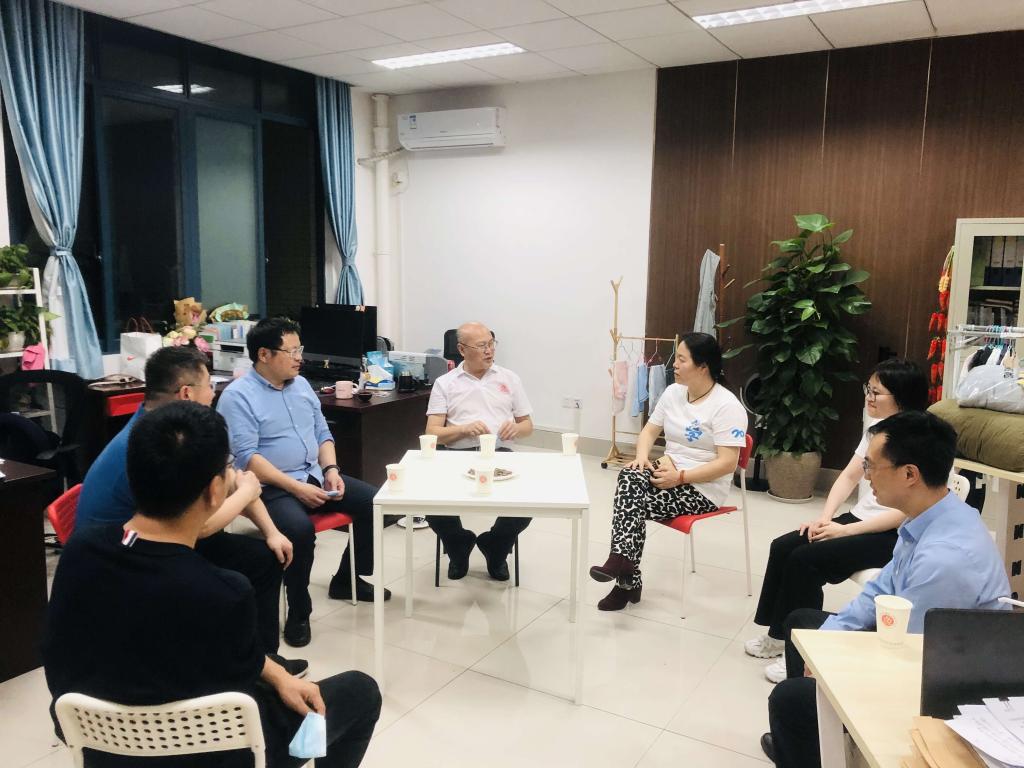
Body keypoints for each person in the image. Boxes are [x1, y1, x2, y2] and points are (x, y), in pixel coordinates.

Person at [44, 402, 381, 768]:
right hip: (207, 755)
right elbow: (239, 700)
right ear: (216, 489)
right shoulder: (222, 593)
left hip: (101, 750)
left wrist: (278, 675)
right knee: (360, 691)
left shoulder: (80, 551)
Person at [762, 411, 1010, 768]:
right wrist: (826, 643)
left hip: (945, 684)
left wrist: (830, 665)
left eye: (872, 466)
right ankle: (814, 741)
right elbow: (880, 590)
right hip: (916, 645)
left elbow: (909, 659)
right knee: (802, 625)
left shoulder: (946, 558)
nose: (866, 477)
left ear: (910, 474)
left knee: (790, 699)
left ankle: (810, 729)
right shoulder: (929, 515)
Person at [76, 346, 299, 670]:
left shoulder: (178, 431)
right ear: (186, 393)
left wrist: (272, 531)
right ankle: (248, 669)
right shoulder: (154, 445)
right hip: (125, 557)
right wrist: (246, 492)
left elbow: (233, 482)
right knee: (230, 587)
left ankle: (266, 663)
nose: (213, 394)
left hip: (159, 537)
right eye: (209, 385)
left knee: (265, 557)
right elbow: (199, 525)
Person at [745, 359, 929, 683]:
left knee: (805, 560)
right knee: (784, 546)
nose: (869, 397)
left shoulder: (918, 441)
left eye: (877, 392)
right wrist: (825, 518)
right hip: (857, 520)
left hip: (891, 534)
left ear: (902, 397)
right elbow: (848, 476)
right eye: (868, 389)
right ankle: (778, 635)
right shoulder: (876, 432)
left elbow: (904, 512)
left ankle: (802, 651)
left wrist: (844, 531)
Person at [217, 317, 389, 649]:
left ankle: (348, 579)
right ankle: (299, 610)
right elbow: (247, 457)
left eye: (300, 349)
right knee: (298, 531)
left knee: (376, 502)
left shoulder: (301, 385)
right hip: (268, 487)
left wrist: (331, 470)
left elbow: (323, 433)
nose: (300, 358)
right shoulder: (238, 396)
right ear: (264, 354)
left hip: (313, 474)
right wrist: (296, 488)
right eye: (292, 351)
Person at [589, 332, 748, 611]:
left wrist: (681, 477)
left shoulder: (727, 406)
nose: (674, 364)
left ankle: (626, 577)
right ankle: (624, 569)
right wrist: (642, 458)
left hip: (702, 488)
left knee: (631, 503)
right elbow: (649, 431)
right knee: (630, 475)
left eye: (682, 359)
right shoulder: (674, 392)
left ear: (702, 366)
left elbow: (727, 463)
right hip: (667, 473)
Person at [424, 321, 535, 581]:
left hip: (499, 452)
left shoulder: (509, 378)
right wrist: (463, 430)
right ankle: (458, 544)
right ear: (462, 350)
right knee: (429, 501)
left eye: (492, 344)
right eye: (482, 345)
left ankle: (496, 545)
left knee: (528, 501)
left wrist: (516, 429)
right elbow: (432, 433)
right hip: (456, 454)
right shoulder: (445, 383)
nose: (489, 350)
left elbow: (528, 426)